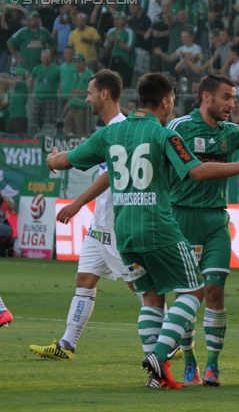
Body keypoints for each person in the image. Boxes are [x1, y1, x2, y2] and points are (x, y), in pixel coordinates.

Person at [45, 72, 239, 389]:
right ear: (166, 101)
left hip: (124, 232)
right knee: (194, 291)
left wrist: (53, 160)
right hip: (159, 227)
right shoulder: (164, 135)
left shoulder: (110, 135)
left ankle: (157, 377)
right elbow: (195, 170)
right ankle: (159, 354)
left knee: (152, 298)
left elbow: (67, 160)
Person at [29, 70, 137, 361]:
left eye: (89, 92)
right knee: (85, 279)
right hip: (99, 226)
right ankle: (66, 345)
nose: (86, 98)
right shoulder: (109, 130)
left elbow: (111, 176)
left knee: (140, 286)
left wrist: (76, 202)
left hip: (117, 225)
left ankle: (170, 339)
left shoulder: (122, 129)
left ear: (104, 94)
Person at [167, 74, 239, 387]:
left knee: (214, 292)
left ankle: (212, 365)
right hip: (181, 220)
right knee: (186, 296)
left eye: (234, 98)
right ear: (206, 97)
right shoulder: (179, 127)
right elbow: (195, 172)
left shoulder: (232, 133)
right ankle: (191, 362)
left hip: (216, 222)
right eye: (226, 97)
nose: (232, 104)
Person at [101, 12, 136, 89]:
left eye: (117, 19)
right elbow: (106, 47)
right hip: (114, 58)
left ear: (123, 20)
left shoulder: (129, 32)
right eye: (114, 19)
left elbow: (129, 48)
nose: (114, 21)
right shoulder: (111, 31)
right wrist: (109, 41)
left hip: (126, 61)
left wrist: (118, 41)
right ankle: (105, 81)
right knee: (101, 62)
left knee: (125, 86)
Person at [63, 54, 94, 137]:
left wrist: (78, 92)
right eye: (76, 62)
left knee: (80, 130)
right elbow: (72, 93)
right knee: (67, 127)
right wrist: (67, 104)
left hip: (82, 106)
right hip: (72, 105)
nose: (77, 64)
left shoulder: (89, 74)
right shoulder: (74, 74)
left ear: (84, 63)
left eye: (79, 62)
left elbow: (93, 92)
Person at [29, 49, 60, 129]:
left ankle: (48, 137)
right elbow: (30, 80)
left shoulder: (57, 69)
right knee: (35, 120)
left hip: (51, 99)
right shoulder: (37, 68)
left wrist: (59, 93)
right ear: (41, 58)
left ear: (51, 57)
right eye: (43, 57)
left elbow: (61, 82)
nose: (45, 59)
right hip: (38, 98)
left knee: (49, 121)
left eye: (47, 57)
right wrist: (30, 93)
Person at [0, 68, 28, 135]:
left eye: (15, 75)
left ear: (21, 76)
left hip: (19, 116)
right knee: (11, 138)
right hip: (13, 117)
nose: (13, 77)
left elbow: (8, 82)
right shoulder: (15, 90)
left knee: (19, 138)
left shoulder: (22, 83)